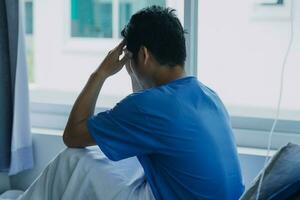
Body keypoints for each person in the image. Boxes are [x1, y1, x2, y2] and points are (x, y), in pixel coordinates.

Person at [63, 6, 245, 200]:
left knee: (71, 161)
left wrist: (99, 74)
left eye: (129, 59)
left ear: (143, 55)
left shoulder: (148, 106)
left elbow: (73, 136)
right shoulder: (209, 96)